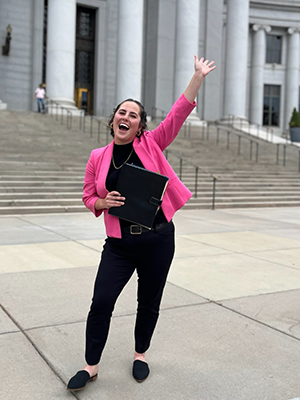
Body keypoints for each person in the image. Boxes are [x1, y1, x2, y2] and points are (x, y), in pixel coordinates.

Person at [67, 55, 216, 392]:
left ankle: (140, 354)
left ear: (140, 126)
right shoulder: (97, 157)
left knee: (149, 301)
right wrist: (101, 203)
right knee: (101, 301)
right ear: (113, 121)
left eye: (133, 115)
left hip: (158, 239)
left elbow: (178, 112)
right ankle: (90, 365)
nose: (126, 117)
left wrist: (197, 77)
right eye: (122, 112)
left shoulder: (152, 143)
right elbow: (88, 196)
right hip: (119, 245)